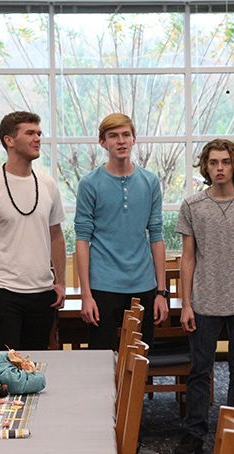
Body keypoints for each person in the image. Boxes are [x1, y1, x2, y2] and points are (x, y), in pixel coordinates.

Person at [173, 139, 234, 454]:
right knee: (200, 371)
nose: (219, 168)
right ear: (206, 167)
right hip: (203, 303)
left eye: (225, 162)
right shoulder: (192, 206)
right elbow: (187, 258)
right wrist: (186, 303)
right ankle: (194, 434)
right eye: (213, 162)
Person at [0, 111, 65, 350]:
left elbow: (56, 235)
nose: (37, 138)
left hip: (42, 291)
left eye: (39, 133)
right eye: (30, 133)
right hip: (1, 291)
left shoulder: (48, 184)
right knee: (3, 370)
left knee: (35, 368)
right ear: (9, 140)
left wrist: (60, 281)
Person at [74, 113, 168, 349]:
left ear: (134, 139)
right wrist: (86, 294)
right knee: (100, 364)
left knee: (140, 362)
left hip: (143, 286)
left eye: (126, 134)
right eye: (113, 136)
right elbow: (82, 239)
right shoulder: (89, 183)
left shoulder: (150, 181)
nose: (121, 141)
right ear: (103, 142)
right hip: (103, 286)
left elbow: (156, 235)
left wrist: (161, 292)